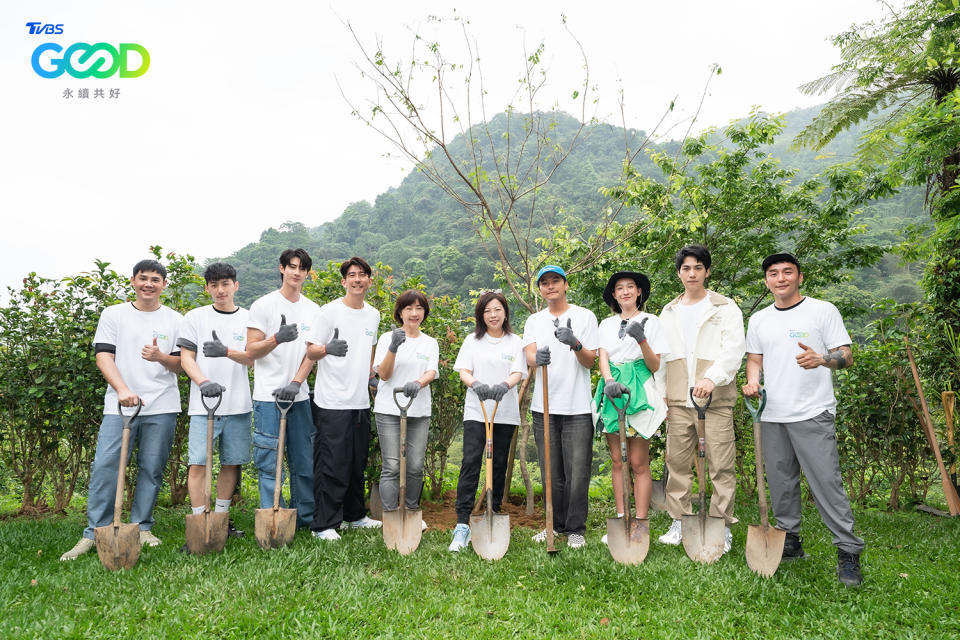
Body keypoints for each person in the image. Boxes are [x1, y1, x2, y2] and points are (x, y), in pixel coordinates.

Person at [742, 252, 864, 587]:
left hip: (813, 411)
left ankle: (848, 551)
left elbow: (846, 356)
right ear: (766, 281)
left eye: (787, 272)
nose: (780, 278)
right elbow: (755, 359)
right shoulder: (759, 320)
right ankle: (789, 541)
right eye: (773, 273)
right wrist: (753, 380)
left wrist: (822, 358)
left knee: (826, 483)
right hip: (771, 414)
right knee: (781, 482)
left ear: (800, 277)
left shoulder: (822, 311)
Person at [61, 260, 183, 560]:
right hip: (120, 405)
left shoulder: (176, 319)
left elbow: (181, 365)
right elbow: (103, 356)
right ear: (133, 281)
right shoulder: (114, 314)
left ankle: (141, 526)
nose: (149, 284)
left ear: (164, 285)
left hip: (162, 404)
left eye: (156, 279)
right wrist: (123, 390)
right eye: (144, 278)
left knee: (152, 469)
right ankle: (94, 532)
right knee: (106, 466)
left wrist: (160, 357)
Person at [657, 244, 745, 554]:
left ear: (707, 271)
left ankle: (721, 523)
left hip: (715, 399)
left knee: (721, 464)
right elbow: (663, 357)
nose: (691, 273)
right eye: (686, 268)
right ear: (679, 272)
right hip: (679, 399)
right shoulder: (668, 311)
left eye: (698, 267)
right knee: (677, 463)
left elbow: (734, 351)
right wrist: (662, 396)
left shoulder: (725, 308)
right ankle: (681, 520)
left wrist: (712, 378)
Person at [522, 265, 598, 549]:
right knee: (551, 473)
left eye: (555, 281)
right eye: (544, 283)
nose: (550, 286)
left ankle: (575, 528)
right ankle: (554, 525)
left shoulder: (584, 316)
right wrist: (535, 358)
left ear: (566, 285)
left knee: (578, 471)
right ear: (540, 289)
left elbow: (591, 361)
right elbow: (529, 354)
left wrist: (575, 343)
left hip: (577, 406)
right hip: (544, 407)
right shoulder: (534, 320)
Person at [177, 262, 253, 542]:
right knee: (197, 464)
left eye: (226, 284)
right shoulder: (195, 318)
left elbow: (252, 359)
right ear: (207, 288)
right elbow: (186, 357)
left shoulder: (248, 318)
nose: (220, 290)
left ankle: (221, 519)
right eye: (214, 285)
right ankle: (200, 521)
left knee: (231, 463)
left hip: (238, 404)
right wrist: (203, 382)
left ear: (236, 285)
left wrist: (227, 352)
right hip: (203, 406)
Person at [307, 257, 382, 541]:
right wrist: (327, 348)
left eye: (363, 275)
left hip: (360, 400)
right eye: (352, 275)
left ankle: (354, 516)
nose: (358, 279)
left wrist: (370, 375)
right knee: (331, 462)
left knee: (355, 461)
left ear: (369, 281)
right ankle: (323, 524)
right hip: (332, 401)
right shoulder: (328, 312)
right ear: (344, 281)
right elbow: (311, 352)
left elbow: (370, 349)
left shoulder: (373, 314)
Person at [593, 271, 668, 545]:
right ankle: (622, 516)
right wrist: (609, 380)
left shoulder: (653, 321)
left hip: (640, 389)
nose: (625, 292)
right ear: (613, 294)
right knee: (617, 460)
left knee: (638, 462)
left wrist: (642, 340)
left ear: (639, 292)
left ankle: (641, 522)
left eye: (630, 287)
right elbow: (602, 357)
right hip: (612, 389)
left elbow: (655, 364)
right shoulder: (605, 324)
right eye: (619, 288)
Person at [246, 248, 319, 529]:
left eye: (302, 268)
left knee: (303, 459)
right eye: (292, 266)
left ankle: (305, 518)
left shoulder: (313, 310)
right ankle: (272, 516)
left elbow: (311, 353)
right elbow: (251, 350)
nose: (296, 272)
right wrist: (277, 337)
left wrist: (296, 383)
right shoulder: (263, 305)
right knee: (269, 460)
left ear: (307, 274)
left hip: (298, 397)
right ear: (282, 268)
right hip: (267, 397)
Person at [449, 291, 526, 552]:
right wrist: (476, 384)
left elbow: (518, 371)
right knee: (471, 461)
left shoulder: (515, 341)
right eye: (487, 311)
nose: (493, 315)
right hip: (477, 410)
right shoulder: (473, 340)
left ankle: (493, 512)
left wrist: (505, 385)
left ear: (505, 312)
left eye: (497, 310)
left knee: (499, 463)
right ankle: (462, 523)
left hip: (504, 412)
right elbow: (464, 371)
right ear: (481, 315)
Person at [372, 290, 439, 529]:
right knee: (391, 465)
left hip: (418, 411)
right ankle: (390, 515)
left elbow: (431, 372)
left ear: (424, 312)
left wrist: (418, 383)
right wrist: (393, 347)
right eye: (409, 308)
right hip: (389, 409)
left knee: (414, 465)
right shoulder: (386, 339)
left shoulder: (430, 342)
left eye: (419, 308)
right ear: (400, 312)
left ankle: (411, 512)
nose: (414, 313)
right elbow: (385, 374)